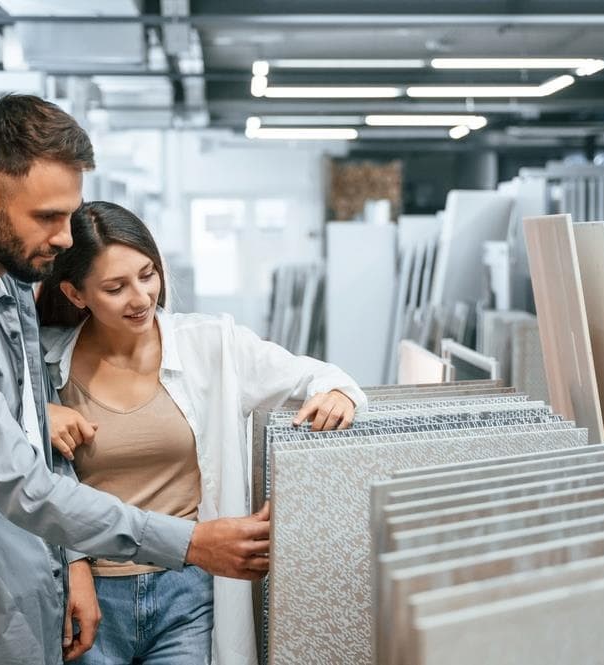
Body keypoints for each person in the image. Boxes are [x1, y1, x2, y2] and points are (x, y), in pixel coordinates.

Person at [0, 94, 272, 665]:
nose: (66, 237)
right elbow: (23, 487)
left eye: (69, 213)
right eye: (48, 217)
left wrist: (74, 565)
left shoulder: (9, 290)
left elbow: (42, 448)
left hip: (37, 601)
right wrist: (188, 543)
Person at [36, 201, 368, 665]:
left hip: (187, 590)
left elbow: (318, 376)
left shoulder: (211, 344)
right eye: (115, 287)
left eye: (148, 275)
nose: (141, 298)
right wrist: (37, 413)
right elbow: (25, 473)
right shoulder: (47, 369)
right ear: (75, 294)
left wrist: (339, 394)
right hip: (89, 593)